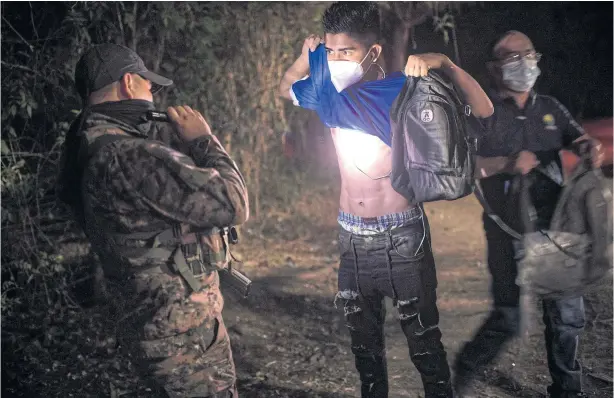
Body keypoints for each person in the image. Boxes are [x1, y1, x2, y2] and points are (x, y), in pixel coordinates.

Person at [278, 3, 493, 397]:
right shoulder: (326, 88)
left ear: (372, 53)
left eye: (347, 51)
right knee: (365, 351)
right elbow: (283, 87)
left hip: (402, 237)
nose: (336, 60)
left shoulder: (398, 88)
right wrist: (304, 59)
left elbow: (482, 109)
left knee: (424, 343)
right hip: (351, 238)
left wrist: (442, 61)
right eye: (330, 52)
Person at [58, 43, 249, 397]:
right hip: (183, 337)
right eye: (149, 85)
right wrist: (204, 141)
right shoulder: (129, 155)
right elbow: (234, 203)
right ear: (129, 83)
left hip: (149, 324)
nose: (153, 95)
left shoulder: (87, 146)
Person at [453, 30, 605, 398]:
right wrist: (506, 163)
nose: (524, 63)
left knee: (566, 317)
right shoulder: (482, 112)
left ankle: (567, 389)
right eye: (512, 57)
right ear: (494, 68)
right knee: (509, 318)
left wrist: (589, 147)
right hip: (506, 227)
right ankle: (459, 375)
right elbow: (462, 166)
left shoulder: (550, 108)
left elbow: (576, 137)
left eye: (529, 55)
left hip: (557, 226)